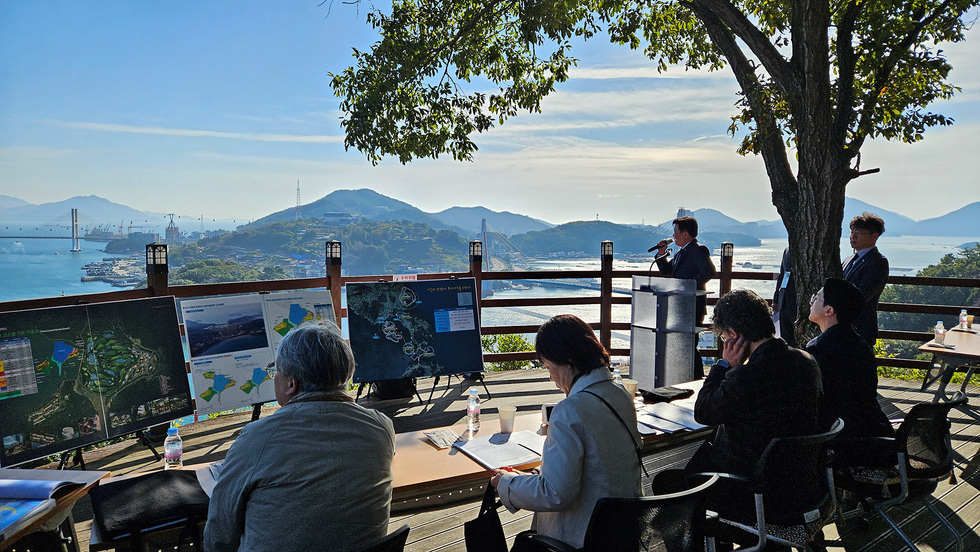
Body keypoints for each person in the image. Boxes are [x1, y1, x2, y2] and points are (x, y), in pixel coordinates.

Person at [204, 325, 395, 552]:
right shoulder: (382, 426)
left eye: (276, 370)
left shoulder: (256, 439)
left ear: (291, 384)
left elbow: (219, 536)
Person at [668, 290, 823, 534]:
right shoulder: (807, 361)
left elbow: (704, 412)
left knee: (669, 484)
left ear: (734, 335)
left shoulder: (747, 377)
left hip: (753, 494)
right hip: (800, 487)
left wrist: (723, 366)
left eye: (723, 336)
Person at [490, 314, 642, 549]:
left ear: (569, 361)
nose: (551, 378)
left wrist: (507, 483)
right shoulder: (621, 395)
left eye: (550, 367)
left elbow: (556, 493)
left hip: (581, 539)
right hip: (622, 534)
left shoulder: (569, 411)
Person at [806, 278, 894, 465]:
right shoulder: (862, 346)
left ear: (829, 311)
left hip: (841, 442)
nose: (811, 301)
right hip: (874, 435)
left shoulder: (818, 349)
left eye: (816, 298)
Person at [654, 216, 717, 326]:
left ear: (685, 234)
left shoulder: (699, 249)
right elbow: (666, 270)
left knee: (691, 340)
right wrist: (661, 253)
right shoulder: (680, 253)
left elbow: (709, 271)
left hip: (693, 304)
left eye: (675, 231)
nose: (673, 235)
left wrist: (690, 286)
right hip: (680, 303)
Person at [843, 212, 889, 345]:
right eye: (852, 231)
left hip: (861, 328)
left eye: (859, 232)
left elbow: (863, 295)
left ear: (874, 236)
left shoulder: (878, 261)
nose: (853, 235)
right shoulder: (848, 259)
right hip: (842, 327)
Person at [772, 247, 797, 347]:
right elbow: (782, 275)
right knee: (785, 337)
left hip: (796, 302)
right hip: (784, 301)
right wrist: (776, 299)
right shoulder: (787, 250)